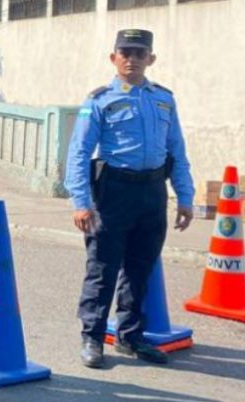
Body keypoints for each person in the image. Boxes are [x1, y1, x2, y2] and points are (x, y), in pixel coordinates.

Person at [65, 29, 193, 369]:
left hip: (152, 192)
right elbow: (78, 153)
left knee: (140, 268)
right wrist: (80, 202)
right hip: (114, 194)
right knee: (102, 268)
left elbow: (177, 150)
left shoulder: (164, 99)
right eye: (125, 52)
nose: (132, 59)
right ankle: (92, 337)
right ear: (113, 57)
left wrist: (185, 196)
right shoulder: (100, 99)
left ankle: (131, 335)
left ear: (151, 59)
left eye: (139, 53)